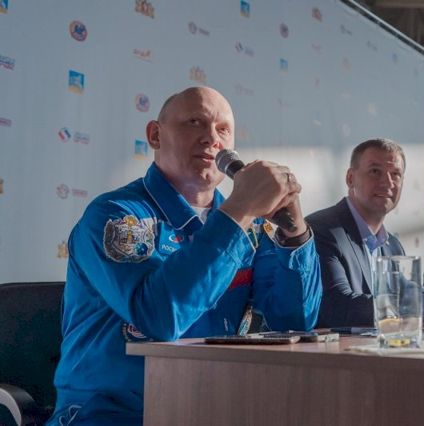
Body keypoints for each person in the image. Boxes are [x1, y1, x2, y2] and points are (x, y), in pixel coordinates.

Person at [47, 86, 322, 425]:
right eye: (194, 122)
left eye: (223, 129)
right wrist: (239, 210)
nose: (212, 138)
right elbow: (160, 318)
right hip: (115, 414)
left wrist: (295, 234)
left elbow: (293, 324)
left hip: (213, 408)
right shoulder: (115, 216)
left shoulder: (250, 226)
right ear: (155, 135)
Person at [306, 139, 424, 327]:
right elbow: (338, 307)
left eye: (396, 174)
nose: (387, 182)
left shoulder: (391, 243)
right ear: (350, 178)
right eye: (375, 171)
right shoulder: (321, 230)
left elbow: (407, 295)